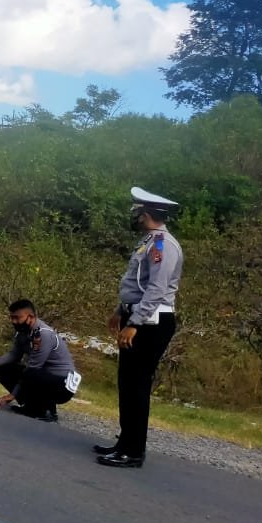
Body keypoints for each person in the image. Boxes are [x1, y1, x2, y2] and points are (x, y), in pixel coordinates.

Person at [95, 187, 183, 468]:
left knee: (137, 385)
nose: (135, 216)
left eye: (137, 211)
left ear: (146, 214)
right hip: (139, 317)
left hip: (152, 322)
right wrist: (121, 310)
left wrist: (134, 323)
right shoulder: (149, 241)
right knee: (127, 383)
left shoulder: (162, 245)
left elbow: (156, 289)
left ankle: (134, 451)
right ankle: (125, 441)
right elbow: (139, 284)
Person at [0, 299, 80, 422]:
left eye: (17, 318)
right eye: (11, 317)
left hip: (62, 385)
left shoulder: (43, 335)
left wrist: (12, 395)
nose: (13, 321)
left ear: (30, 317)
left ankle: (47, 411)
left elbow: (33, 368)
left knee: (31, 373)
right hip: (43, 375)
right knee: (1, 368)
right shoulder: (22, 332)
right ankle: (32, 406)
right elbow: (14, 355)